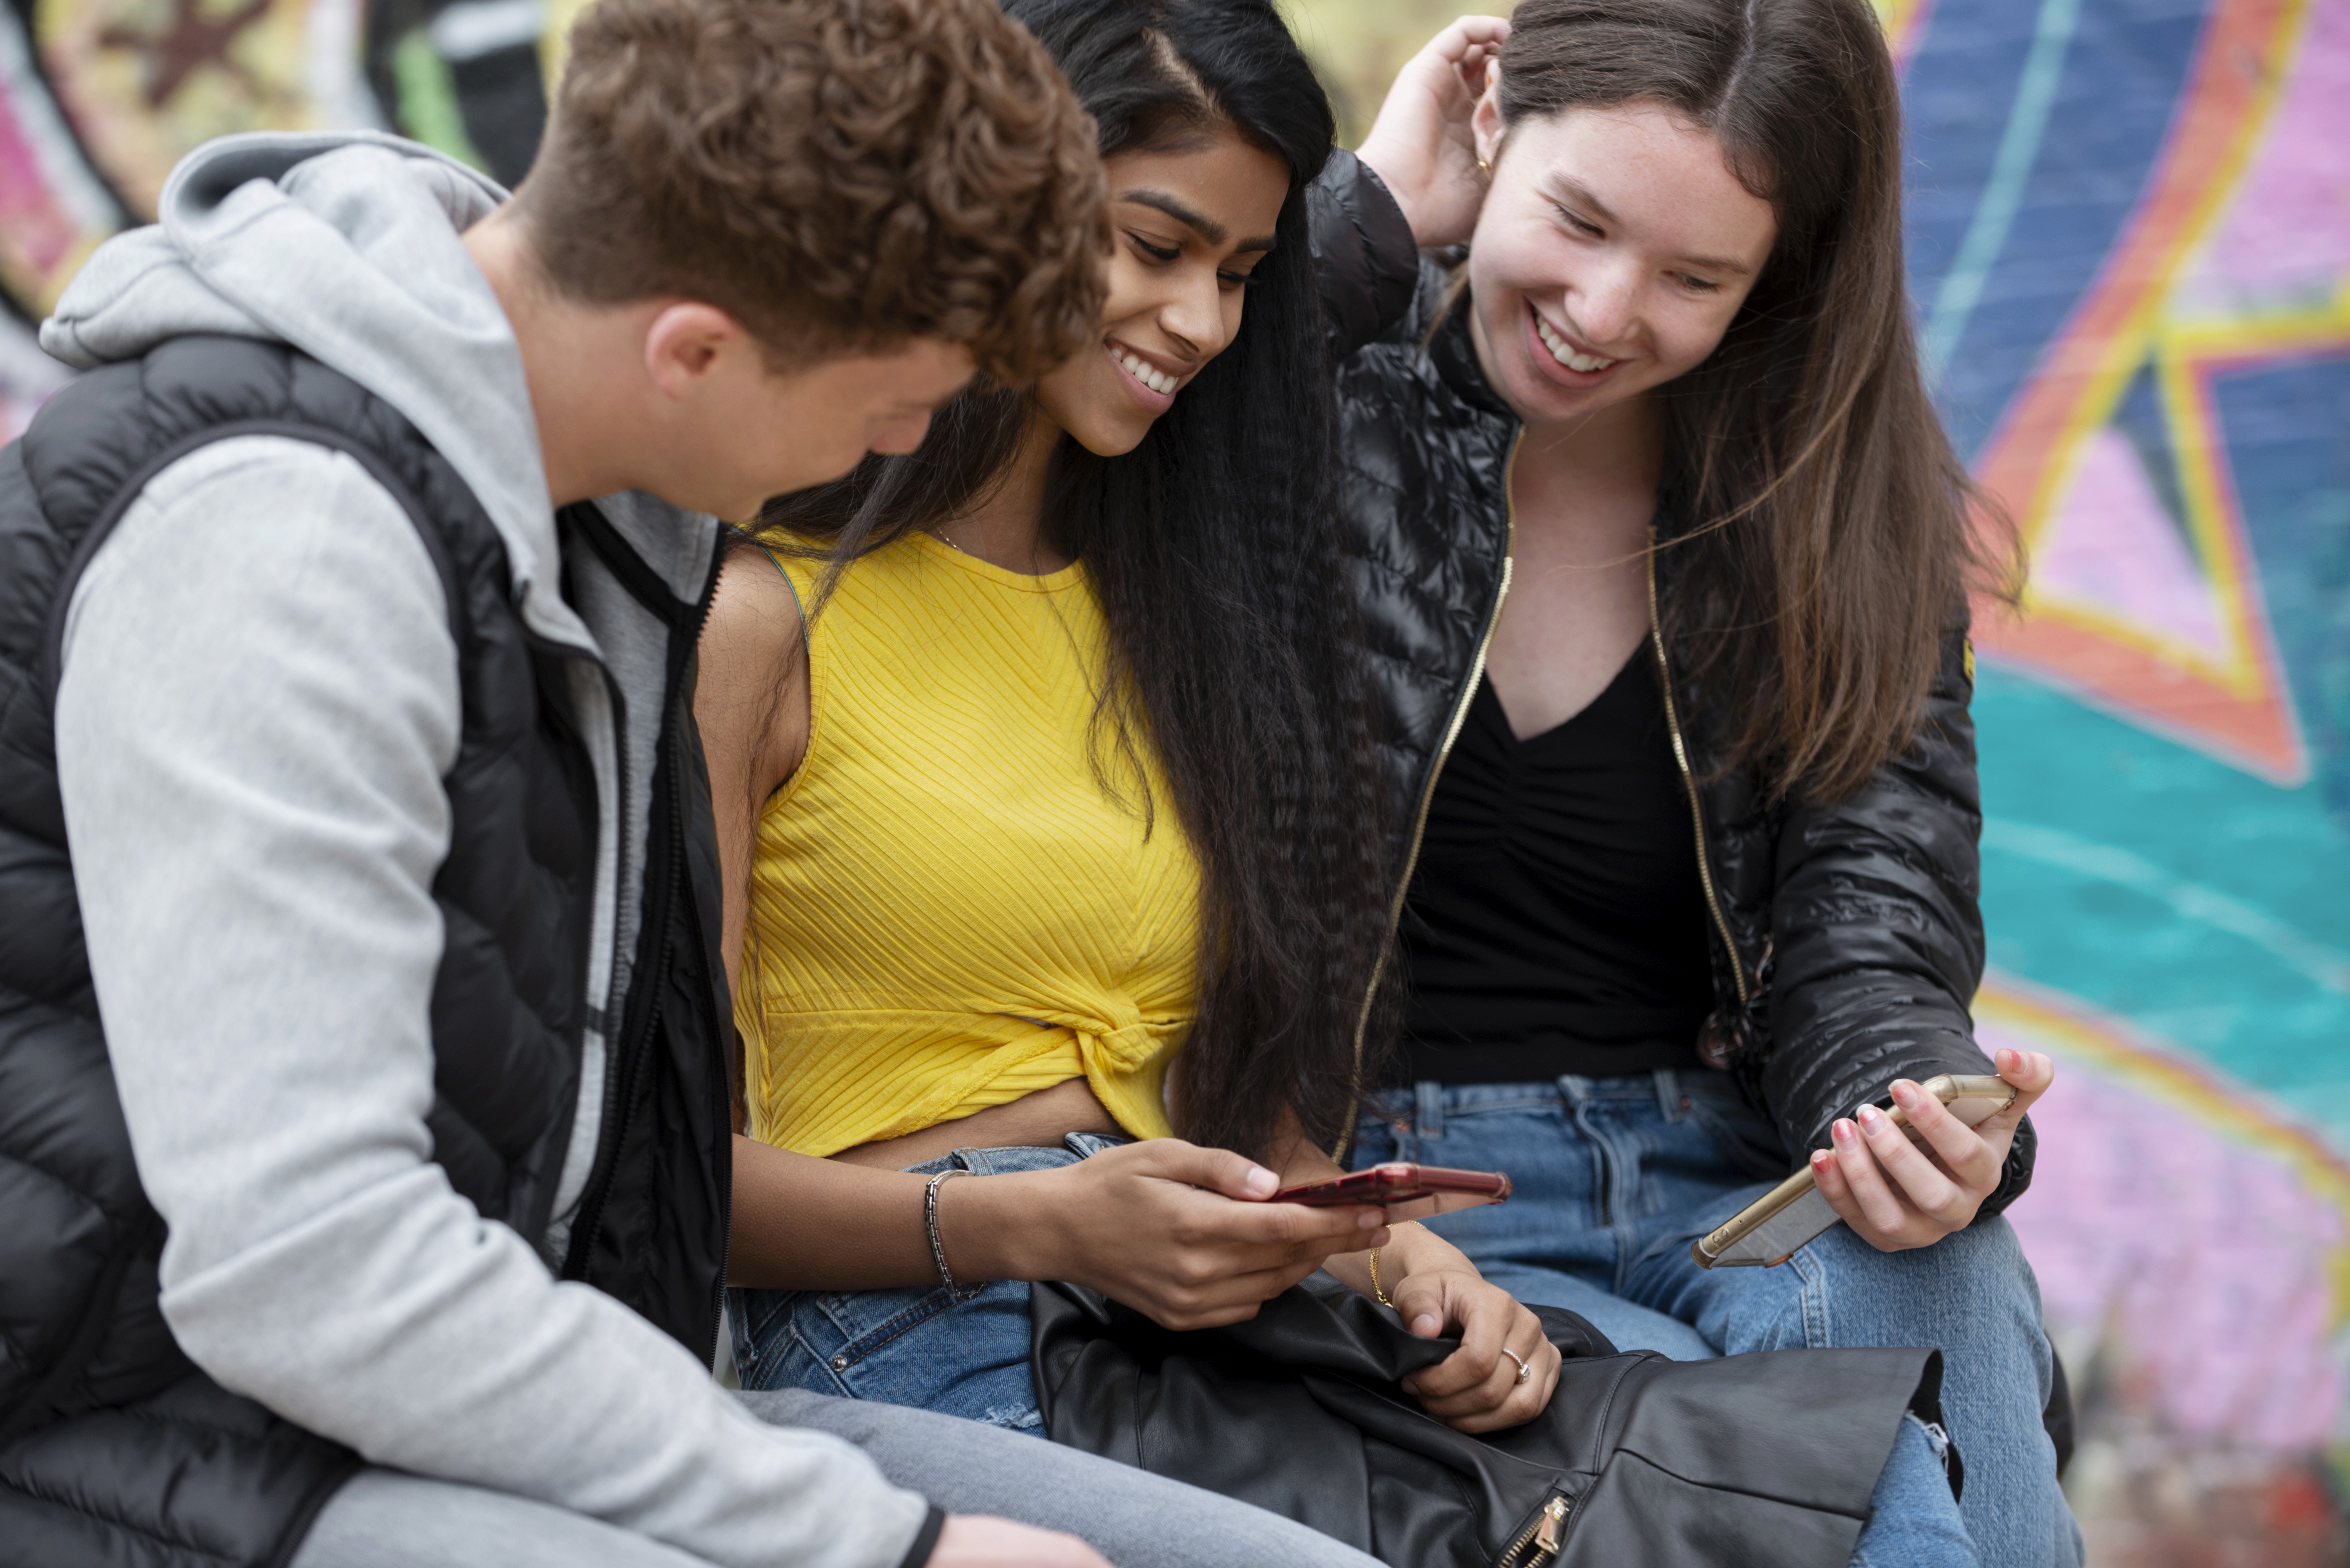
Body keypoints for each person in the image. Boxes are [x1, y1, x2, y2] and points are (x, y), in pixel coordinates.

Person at [0, 0, 1407, 1564]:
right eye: (902, 394)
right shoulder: (294, 540)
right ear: (697, 350)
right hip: (142, 1439)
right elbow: (312, 1268)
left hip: (466, 1398)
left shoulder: (582, 505)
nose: (914, 438)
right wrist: (891, 1544)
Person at [699, 3, 1973, 1563]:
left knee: (1863, 1495)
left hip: (1214, 1302)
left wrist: (1397, 1262)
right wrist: (1038, 1217)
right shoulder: (761, 615)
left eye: (1242, 275)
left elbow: (1236, 1118)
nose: (1203, 321)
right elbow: (645, 1173)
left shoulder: (1173, 609)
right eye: (1153, 246)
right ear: (987, 209)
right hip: (914, 1317)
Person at [1313, 3, 2081, 1564]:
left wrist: (1915, 1119)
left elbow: (1874, 935)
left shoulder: (1832, 512)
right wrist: (1368, 217)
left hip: (1716, 1172)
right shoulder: (1311, 404)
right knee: (1860, 1503)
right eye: (1578, 222)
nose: (1603, 310)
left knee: (1944, 1286)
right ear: (1488, 130)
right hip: (1384, 1187)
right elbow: (1074, 397)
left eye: (1695, 278)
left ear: (1776, 280)